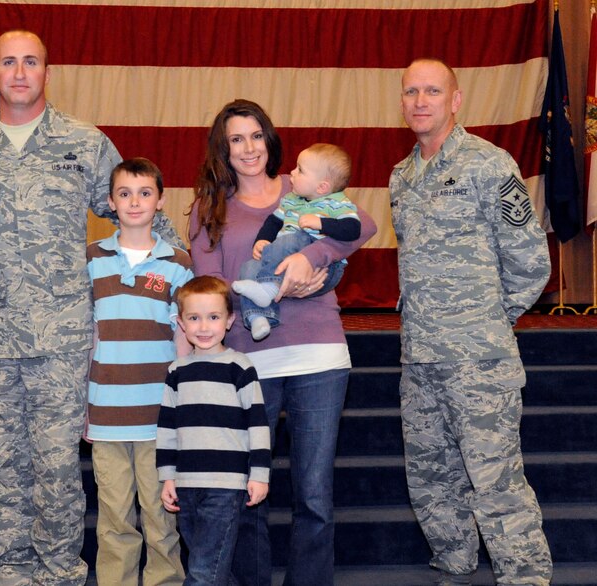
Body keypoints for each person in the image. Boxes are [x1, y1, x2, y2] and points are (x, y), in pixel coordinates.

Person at [0, 30, 179, 585]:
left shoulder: (84, 144)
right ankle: (11, 573)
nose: (19, 72)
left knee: (57, 468)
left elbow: (139, 212)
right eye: (8, 62)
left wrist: (174, 278)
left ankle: (60, 574)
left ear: (47, 70)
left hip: (63, 338)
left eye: (30, 62)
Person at [188, 99, 377, 586]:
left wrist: (310, 261)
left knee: (314, 493)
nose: (248, 148)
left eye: (255, 135)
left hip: (318, 354)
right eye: (236, 139)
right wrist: (264, 288)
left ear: (269, 140)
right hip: (248, 361)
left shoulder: (304, 186)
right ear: (223, 149)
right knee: (249, 492)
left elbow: (364, 226)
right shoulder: (209, 208)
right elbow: (207, 285)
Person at [390, 58, 552, 586]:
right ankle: (454, 565)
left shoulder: (490, 164)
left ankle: (524, 576)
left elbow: (531, 262)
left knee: (496, 479)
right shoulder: (402, 174)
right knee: (431, 478)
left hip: (478, 358)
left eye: (432, 91)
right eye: (411, 91)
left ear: (455, 100)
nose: (420, 101)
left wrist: (483, 320)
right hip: (420, 357)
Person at [85, 158, 191, 585]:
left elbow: (184, 335)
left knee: (161, 518)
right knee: (113, 522)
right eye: (124, 194)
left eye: (145, 193)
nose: (135, 202)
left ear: (160, 201)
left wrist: (183, 403)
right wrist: (82, 409)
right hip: (106, 413)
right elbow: (86, 335)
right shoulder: (91, 259)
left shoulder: (177, 262)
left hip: (157, 417)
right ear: (111, 202)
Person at [156, 275, 270, 586]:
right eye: (194, 318)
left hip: (226, 485)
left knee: (203, 574)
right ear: (181, 323)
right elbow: (167, 428)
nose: (203, 327)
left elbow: (258, 426)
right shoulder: (176, 371)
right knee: (211, 565)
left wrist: (259, 475)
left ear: (230, 321)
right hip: (186, 484)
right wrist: (167, 476)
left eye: (213, 317)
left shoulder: (240, 367)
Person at [232, 143, 360, 340]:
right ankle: (258, 318)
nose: (292, 172)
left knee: (293, 237)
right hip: (282, 259)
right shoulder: (291, 199)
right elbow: (273, 221)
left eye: (300, 170)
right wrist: (262, 240)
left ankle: (269, 289)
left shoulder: (337, 202)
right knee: (249, 268)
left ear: (322, 186)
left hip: (324, 269)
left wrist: (321, 223)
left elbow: (353, 229)